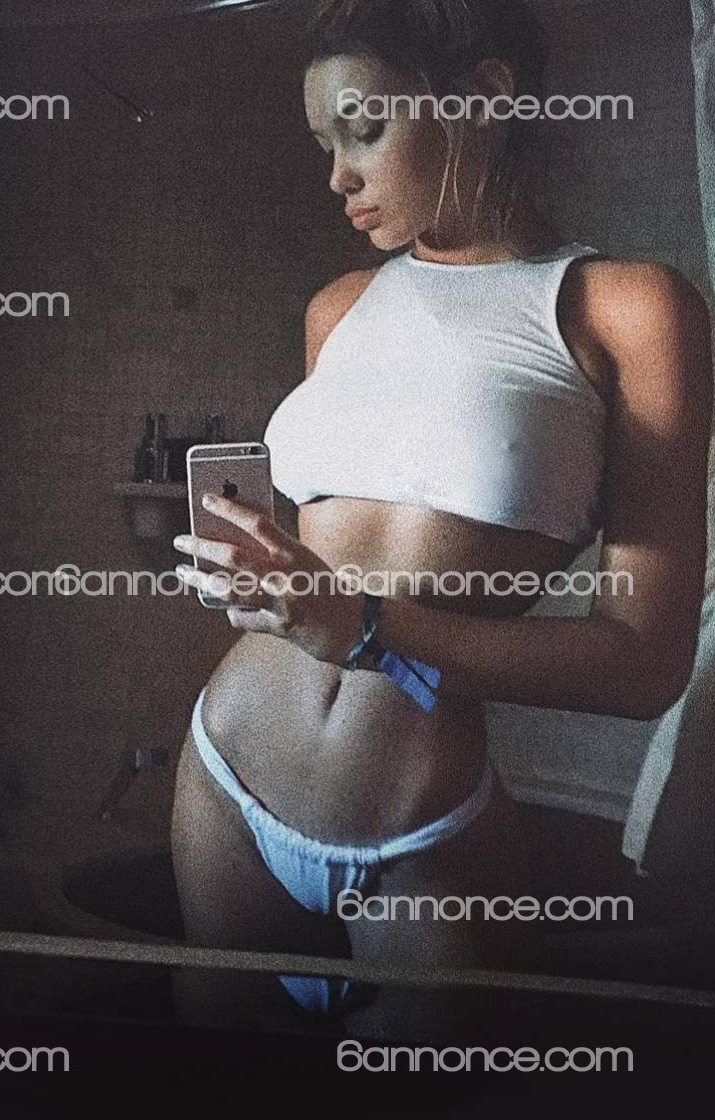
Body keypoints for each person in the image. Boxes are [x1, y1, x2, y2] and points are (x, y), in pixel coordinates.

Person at [169, 0, 712, 1036]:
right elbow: (322, 574)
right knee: (217, 1102)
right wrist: (261, 580)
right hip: (227, 770)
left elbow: (645, 665)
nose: (338, 176)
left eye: (364, 130)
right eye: (325, 145)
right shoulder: (337, 308)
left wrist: (369, 628)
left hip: (420, 824)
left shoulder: (631, 309)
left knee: (424, 1112)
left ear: (485, 96)